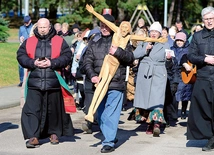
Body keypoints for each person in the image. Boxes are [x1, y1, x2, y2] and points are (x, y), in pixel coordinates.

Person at [17, 18, 74, 148]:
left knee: (53, 111)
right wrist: (33, 63)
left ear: (50, 27)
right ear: (37, 27)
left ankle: (54, 134)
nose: (42, 29)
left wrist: (52, 63)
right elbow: (21, 56)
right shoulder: (29, 41)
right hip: (34, 82)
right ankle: (33, 137)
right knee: (32, 111)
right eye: (40, 27)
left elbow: (66, 56)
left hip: (53, 82)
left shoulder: (59, 41)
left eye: (45, 27)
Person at [82, 12, 134, 153]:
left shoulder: (122, 40)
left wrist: (117, 52)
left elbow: (130, 58)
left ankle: (109, 142)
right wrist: (92, 76)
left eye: (106, 25)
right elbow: (87, 62)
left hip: (116, 84)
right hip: (99, 84)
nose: (104, 28)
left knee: (109, 114)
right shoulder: (94, 42)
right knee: (100, 116)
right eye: (102, 25)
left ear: (112, 27)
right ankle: (110, 135)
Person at [133, 21, 171, 137]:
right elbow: (134, 55)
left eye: (156, 31)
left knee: (157, 99)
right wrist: (146, 49)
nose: (154, 33)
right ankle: (149, 123)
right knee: (146, 99)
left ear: (160, 33)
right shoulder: (144, 42)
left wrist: (169, 59)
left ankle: (157, 124)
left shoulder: (165, 44)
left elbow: (170, 61)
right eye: (152, 31)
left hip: (158, 73)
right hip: (144, 74)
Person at [187, 6, 214, 151]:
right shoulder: (197, 36)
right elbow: (191, 55)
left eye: (211, 19)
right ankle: (210, 136)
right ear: (203, 20)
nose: (209, 22)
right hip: (203, 77)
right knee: (203, 110)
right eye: (206, 19)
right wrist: (205, 59)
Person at [170, 32, 192, 120]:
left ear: (184, 41)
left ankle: (183, 110)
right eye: (177, 40)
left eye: (181, 41)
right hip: (174, 73)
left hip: (184, 73)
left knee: (185, 93)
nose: (179, 42)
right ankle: (174, 113)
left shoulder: (188, 49)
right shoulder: (172, 49)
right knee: (174, 94)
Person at [18, 15, 33, 87]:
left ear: (30, 21)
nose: (26, 24)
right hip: (23, 47)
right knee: (20, 65)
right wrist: (20, 39)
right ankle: (21, 80)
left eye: (27, 22)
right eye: (25, 22)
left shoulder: (33, 28)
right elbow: (19, 37)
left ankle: (29, 79)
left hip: (31, 47)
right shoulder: (21, 28)